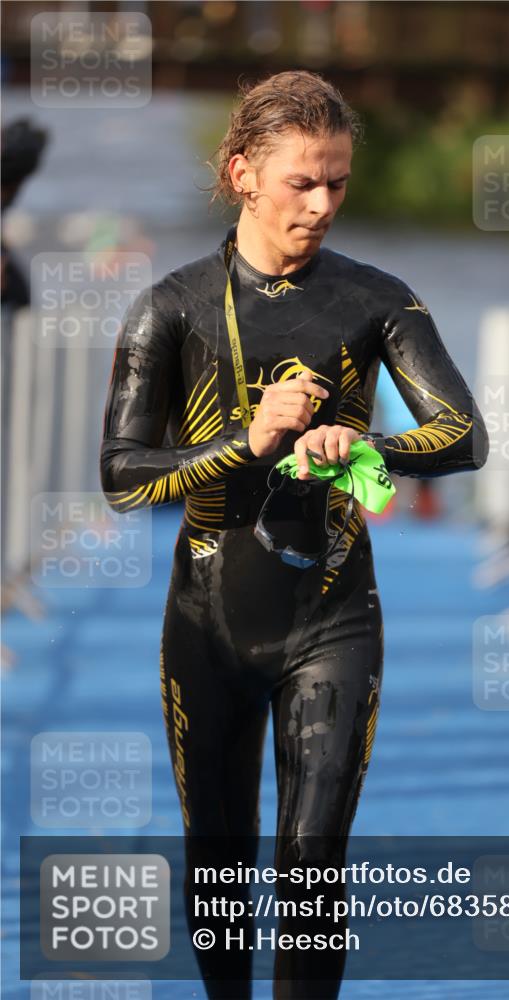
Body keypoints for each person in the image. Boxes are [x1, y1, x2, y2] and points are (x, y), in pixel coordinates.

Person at [100, 70, 488, 1000]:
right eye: (301, 183)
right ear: (242, 173)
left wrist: (364, 443)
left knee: (312, 857)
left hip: (332, 615)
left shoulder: (375, 299)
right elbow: (121, 478)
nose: (321, 205)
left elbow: (463, 435)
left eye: (337, 183)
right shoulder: (171, 308)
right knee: (219, 860)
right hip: (207, 622)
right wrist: (249, 440)